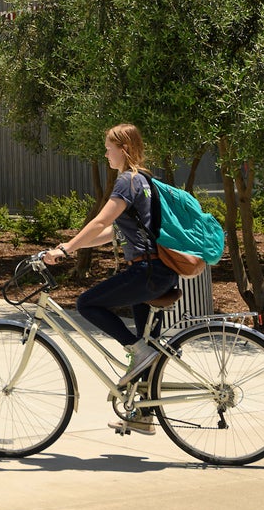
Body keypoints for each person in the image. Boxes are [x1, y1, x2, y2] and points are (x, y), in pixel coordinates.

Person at [44, 123, 178, 436]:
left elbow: (101, 220)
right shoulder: (145, 181)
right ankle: (142, 414)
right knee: (150, 351)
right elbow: (109, 233)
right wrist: (71, 247)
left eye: (109, 147)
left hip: (147, 272)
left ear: (125, 149)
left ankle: (137, 350)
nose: (105, 153)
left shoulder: (127, 181)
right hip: (159, 272)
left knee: (87, 303)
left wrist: (66, 248)